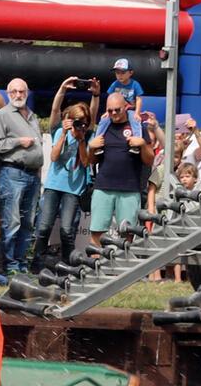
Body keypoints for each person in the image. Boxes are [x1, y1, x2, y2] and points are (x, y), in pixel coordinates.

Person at [0, 77, 44, 271]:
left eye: (22, 92)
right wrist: (18, 142)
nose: (18, 95)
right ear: (9, 94)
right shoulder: (3, 115)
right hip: (13, 174)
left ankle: (21, 263)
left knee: (28, 223)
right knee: (12, 223)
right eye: (14, 92)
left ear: (26, 93)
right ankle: (10, 265)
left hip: (32, 176)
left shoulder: (32, 116)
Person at [87, 91, 154, 246]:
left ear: (126, 107)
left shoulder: (138, 127)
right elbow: (91, 161)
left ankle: (122, 270)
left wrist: (143, 144)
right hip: (103, 187)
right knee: (97, 232)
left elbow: (149, 161)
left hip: (130, 189)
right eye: (110, 110)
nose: (114, 113)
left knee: (127, 234)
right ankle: (96, 269)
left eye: (117, 109)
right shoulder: (103, 127)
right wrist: (91, 148)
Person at [35, 101, 92, 267]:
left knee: (67, 230)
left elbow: (85, 162)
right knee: (44, 227)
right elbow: (53, 157)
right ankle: (38, 263)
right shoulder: (61, 131)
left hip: (73, 189)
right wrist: (63, 134)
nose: (80, 125)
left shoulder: (87, 136)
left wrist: (81, 140)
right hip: (54, 185)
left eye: (84, 122)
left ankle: (68, 265)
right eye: (77, 121)